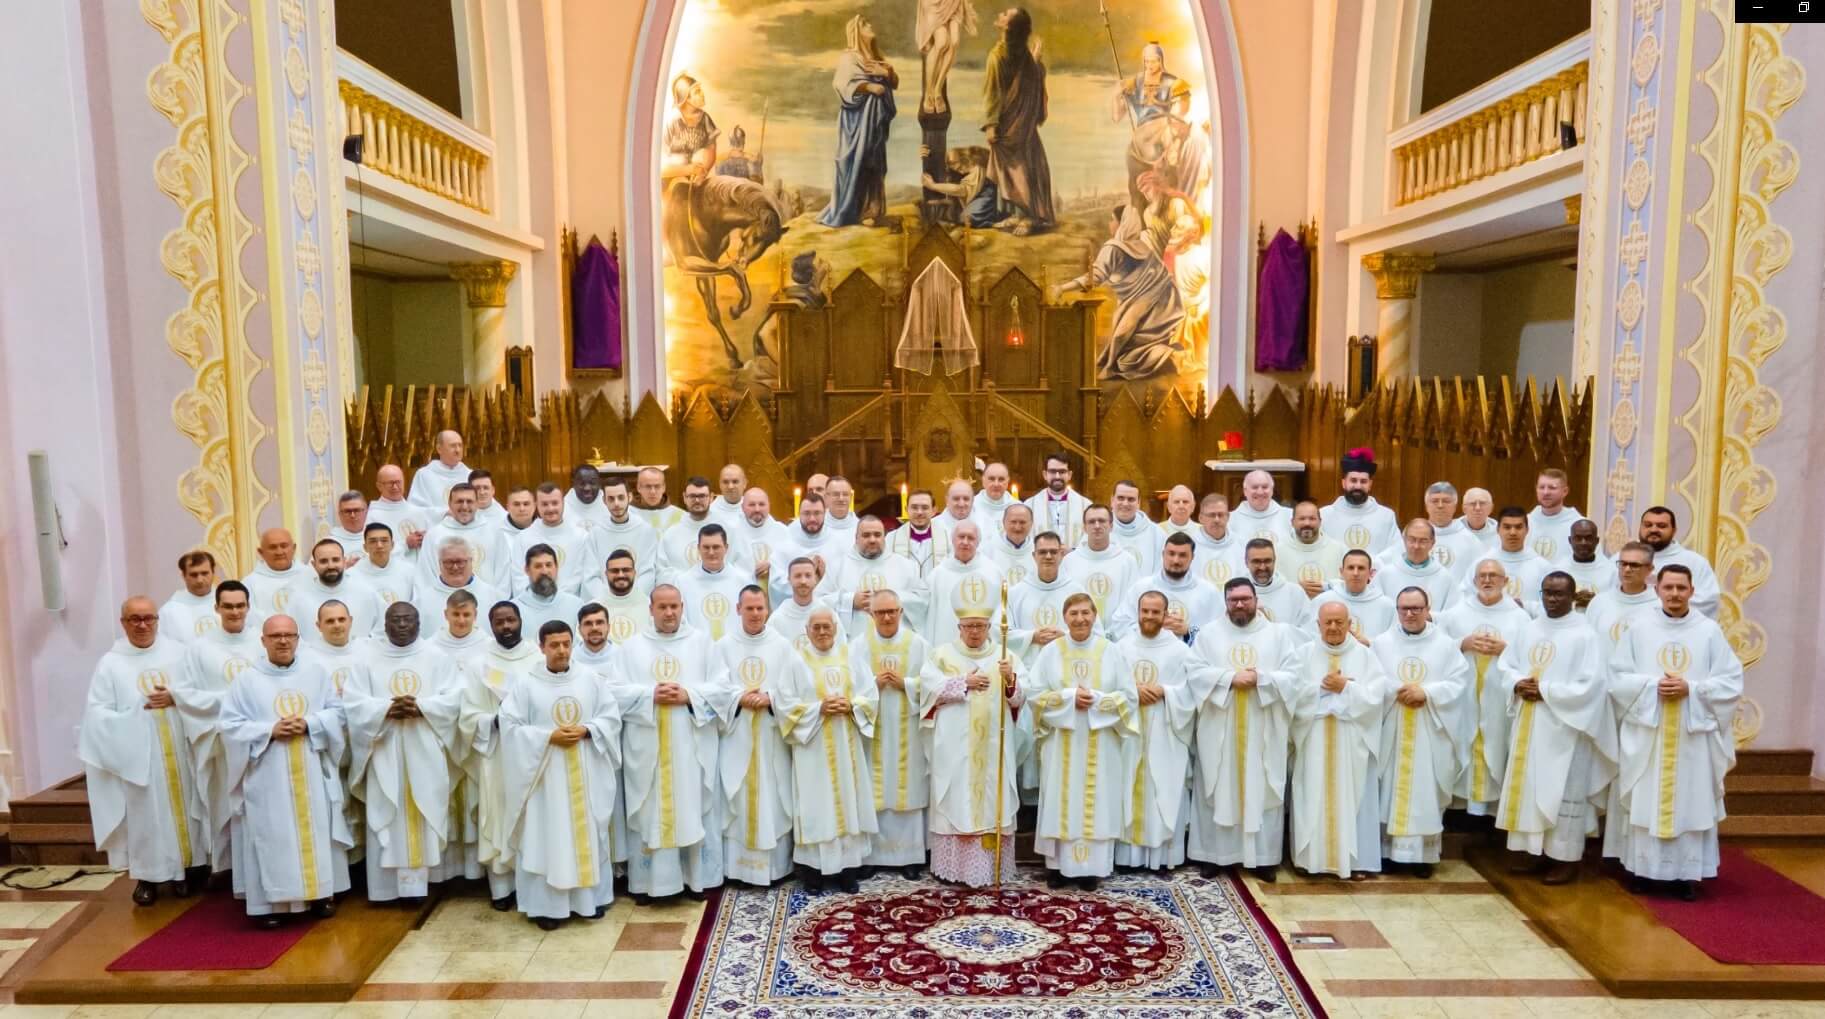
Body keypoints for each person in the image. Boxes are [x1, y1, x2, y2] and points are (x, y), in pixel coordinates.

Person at [1603, 564, 1743, 900]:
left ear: (1692, 592)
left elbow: (1730, 681)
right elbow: (1618, 677)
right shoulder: (1639, 628)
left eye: (1682, 588)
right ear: (1658, 590)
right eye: (1669, 588)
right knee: (1645, 800)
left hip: (1691, 736)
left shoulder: (1709, 631)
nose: (1675, 594)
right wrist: (1653, 685)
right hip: (1649, 733)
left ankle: (1686, 875)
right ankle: (1641, 871)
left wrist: (1691, 689)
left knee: (1690, 802)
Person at [215, 615, 349, 926]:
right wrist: (269, 730)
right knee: (272, 834)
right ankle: (269, 906)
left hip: (310, 768)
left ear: (298, 638)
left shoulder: (316, 673)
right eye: (275, 636)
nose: (283, 641)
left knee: (315, 831)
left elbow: (337, 713)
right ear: (263, 641)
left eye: (289, 635)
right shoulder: (246, 681)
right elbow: (229, 727)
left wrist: (310, 724)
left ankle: (318, 895)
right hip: (268, 774)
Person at [82, 597, 209, 906]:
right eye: (135, 619)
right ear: (123, 623)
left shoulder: (179, 654)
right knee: (146, 816)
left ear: (157, 620)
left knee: (187, 809)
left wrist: (177, 698)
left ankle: (189, 871)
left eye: (148, 618)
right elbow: (96, 715)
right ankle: (149, 877)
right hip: (140, 755)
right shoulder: (110, 664)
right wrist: (137, 711)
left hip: (180, 749)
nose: (142, 625)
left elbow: (199, 693)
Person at [498, 620, 623, 929]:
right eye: (554, 645)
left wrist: (588, 729)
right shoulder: (526, 684)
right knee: (547, 837)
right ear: (541, 647)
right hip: (544, 779)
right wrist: (546, 738)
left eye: (566, 643)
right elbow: (509, 726)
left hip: (586, 771)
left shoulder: (591, 680)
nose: (562, 650)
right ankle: (547, 908)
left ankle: (588, 902)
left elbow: (611, 717)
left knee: (587, 834)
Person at [1494, 573, 1616, 885]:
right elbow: (1506, 665)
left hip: (1565, 729)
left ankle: (1565, 858)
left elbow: (1593, 685)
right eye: (1547, 593)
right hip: (1530, 724)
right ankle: (1534, 852)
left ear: (1573, 596)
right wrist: (1518, 683)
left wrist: (1545, 690)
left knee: (1562, 791)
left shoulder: (1585, 635)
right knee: (1532, 789)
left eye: (1559, 594)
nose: (1552, 599)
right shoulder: (1530, 629)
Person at [612, 585, 727, 903]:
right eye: (662, 607)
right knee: (651, 810)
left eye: (674, 606)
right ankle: (651, 884)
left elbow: (723, 688)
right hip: (647, 749)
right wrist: (650, 695)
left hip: (688, 748)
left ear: (682, 606)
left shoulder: (702, 644)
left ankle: (695, 881)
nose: (669, 613)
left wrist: (689, 695)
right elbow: (614, 692)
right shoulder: (631, 648)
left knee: (689, 808)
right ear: (650, 609)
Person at [346, 603, 464, 901]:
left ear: (418, 623)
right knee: (388, 808)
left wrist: (421, 707)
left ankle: (424, 884)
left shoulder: (437, 658)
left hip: (424, 747)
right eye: (395, 620)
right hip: (384, 748)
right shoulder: (367, 661)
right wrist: (385, 708)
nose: (401, 625)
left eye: (407, 619)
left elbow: (454, 699)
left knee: (425, 806)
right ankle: (385, 891)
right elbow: (353, 703)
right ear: (384, 625)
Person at [1188, 579, 1299, 880]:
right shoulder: (1209, 635)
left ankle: (1262, 858)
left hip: (1263, 727)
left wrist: (1261, 678)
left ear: (1256, 599)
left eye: (1245, 599)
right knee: (1218, 784)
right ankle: (1213, 855)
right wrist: (1227, 679)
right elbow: (1194, 672)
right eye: (1233, 599)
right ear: (1225, 601)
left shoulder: (1277, 635)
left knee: (1261, 786)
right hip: (1219, 727)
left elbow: (1293, 676)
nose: (1240, 604)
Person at [1028, 594, 1135, 889]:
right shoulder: (1051, 651)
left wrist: (1099, 700)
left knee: (1096, 799)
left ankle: (1091, 869)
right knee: (1060, 799)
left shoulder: (1110, 651)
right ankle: (1058, 867)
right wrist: (1068, 697)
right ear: (1065, 617)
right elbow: (1034, 695)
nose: (1080, 619)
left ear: (1094, 615)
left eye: (1085, 613)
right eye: (1073, 613)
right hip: (1062, 740)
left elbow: (1130, 697)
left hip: (1099, 742)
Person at [918, 606, 1025, 886]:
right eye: (969, 626)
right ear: (959, 627)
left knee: (992, 798)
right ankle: (954, 870)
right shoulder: (942, 655)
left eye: (980, 625)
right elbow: (927, 690)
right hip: (954, 747)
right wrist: (963, 682)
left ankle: (991, 869)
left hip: (992, 747)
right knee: (955, 796)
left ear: (989, 627)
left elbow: (1021, 700)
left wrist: (1011, 680)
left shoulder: (1005, 656)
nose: (974, 631)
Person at [774, 609, 878, 889]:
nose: (822, 632)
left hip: (846, 745)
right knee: (816, 806)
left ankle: (846, 871)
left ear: (836, 628)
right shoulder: (796, 662)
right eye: (816, 627)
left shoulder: (850, 657)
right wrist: (818, 708)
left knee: (847, 800)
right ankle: (814, 873)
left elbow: (870, 695)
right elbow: (783, 704)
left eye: (826, 627)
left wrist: (852, 705)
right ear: (807, 631)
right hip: (813, 748)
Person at [1288, 601, 1389, 879]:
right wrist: (1321, 688)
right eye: (1328, 622)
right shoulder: (1304, 654)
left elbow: (1376, 696)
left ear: (1349, 624)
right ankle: (1311, 861)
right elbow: (1292, 694)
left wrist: (1346, 688)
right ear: (1318, 625)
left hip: (1351, 740)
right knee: (1311, 795)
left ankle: (1354, 863)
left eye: (1339, 622)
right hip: (1314, 737)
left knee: (1353, 797)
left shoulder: (1365, 656)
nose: (1333, 627)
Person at [1371, 588, 1467, 877]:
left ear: (1428, 609)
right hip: (1394, 727)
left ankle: (1423, 857)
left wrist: (1426, 692)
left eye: (1416, 608)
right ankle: (1388, 853)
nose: (1410, 614)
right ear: (1397, 610)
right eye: (1403, 609)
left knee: (1424, 790)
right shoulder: (1382, 643)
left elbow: (1458, 681)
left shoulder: (1446, 645)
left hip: (1429, 729)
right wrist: (1396, 691)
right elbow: (1372, 679)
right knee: (1389, 788)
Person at [455, 601, 541, 909]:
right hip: (497, 751)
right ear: (490, 625)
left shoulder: (537, 658)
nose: (506, 627)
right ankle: (502, 888)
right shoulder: (478, 664)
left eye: (511, 620)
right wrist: (493, 721)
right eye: (499, 622)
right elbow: (467, 714)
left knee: (531, 814)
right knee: (499, 813)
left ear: (521, 621)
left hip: (532, 751)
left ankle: (531, 885)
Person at [712, 586, 798, 887]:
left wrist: (771, 698)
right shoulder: (722, 646)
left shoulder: (783, 646)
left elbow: (792, 688)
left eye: (760, 608)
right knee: (737, 795)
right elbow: (717, 688)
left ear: (768, 610)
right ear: (738, 610)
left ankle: (775, 868)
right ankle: (739, 869)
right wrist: (738, 698)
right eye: (749, 609)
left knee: (773, 795)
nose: (755, 614)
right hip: (737, 735)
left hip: (771, 734)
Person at [175, 580, 263, 873]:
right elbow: (186, 694)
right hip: (219, 740)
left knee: (258, 804)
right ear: (217, 608)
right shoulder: (199, 648)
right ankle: (226, 867)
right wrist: (231, 701)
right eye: (228, 606)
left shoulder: (264, 642)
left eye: (240, 605)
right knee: (224, 802)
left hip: (260, 740)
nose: (235, 612)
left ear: (249, 607)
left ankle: (257, 864)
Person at [1440, 559, 1532, 817]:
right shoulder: (1457, 613)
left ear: (1506, 582)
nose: (1488, 580)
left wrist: (1506, 649)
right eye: (1482, 575)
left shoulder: (1519, 617)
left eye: (1494, 575)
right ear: (1474, 581)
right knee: (1463, 742)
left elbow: (1528, 656)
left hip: (1498, 699)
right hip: (1464, 696)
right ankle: (1461, 809)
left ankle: (1490, 812)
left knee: (1496, 743)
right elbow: (1437, 647)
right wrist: (1462, 642)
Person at [1116, 591, 1198, 871]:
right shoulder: (1122, 647)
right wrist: (1132, 692)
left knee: (1164, 787)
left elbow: (1191, 691)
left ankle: (1163, 857)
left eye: (1155, 612)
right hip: (1130, 731)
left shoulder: (1180, 651)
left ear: (1165, 615)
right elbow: (1111, 685)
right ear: (1138, 612)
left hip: (1166, 732)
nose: (1149, 617)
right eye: (1145, 611)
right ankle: (1127, 857)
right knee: (1127, 785)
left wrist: (1165, 691)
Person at [1057, 205, 1183, 381]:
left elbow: (1095, 277)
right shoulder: (1141, 245)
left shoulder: (1114, 248)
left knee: (1123, 338)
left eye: (1112, 219)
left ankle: (1111, 368)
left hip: (1152, 301)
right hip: (1161, 302)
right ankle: (1155, 357)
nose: (1110, 224)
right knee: (1126, 351)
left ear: (1122, 223)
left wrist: (1062, 288)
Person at [980, 7, 1055, 233]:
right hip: (1010, 122)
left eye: (1005, 14)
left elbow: (993, 93)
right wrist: (993, 123)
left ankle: (1029, 217)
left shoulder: (1004, 56)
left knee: (1021, 168)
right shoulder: (1004, 54)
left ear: (1009, 27)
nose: (1000, 15)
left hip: (1017, 125)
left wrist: (991, 124)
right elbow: (998, 91)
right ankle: (1016, 214)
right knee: (1010, 168)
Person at [819, 16, 898, 229]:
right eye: (864, 24)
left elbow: (894, 82)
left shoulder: (876, 57)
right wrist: (869, 87)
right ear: (855, 31)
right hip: (856, 121)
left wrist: (886, 73)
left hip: (875, 121)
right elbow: (841, 84)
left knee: (875, 162)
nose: (870, 25)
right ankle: (854, 210)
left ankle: (872, 210)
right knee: (856, 160)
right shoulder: (850, 57)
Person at [823, 516, 927, 637]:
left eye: (877, 535)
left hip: (896, 644)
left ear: (884, 537)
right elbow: (819, 602)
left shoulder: (906, 566)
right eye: (866, 535)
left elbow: (922, 601)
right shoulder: (836, 567)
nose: (872, 540)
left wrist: (890, 600)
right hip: (853, 645)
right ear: (856, 538)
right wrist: (850, 601)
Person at [1108, 531, 1217, 640]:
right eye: (1171, 553)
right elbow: (1119, 627)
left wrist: (1188, 631)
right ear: (1163, 554)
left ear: (1192, 557)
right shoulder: (1142, 588)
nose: (1176, 560)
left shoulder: (1208, 592)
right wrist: (1154, 627)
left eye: (1182, 555)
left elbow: (1220, 633)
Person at [417, 483, 514, 592]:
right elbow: (426, 577)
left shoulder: (494, 532)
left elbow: (503, 575)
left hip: (487, 602)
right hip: (446, 603)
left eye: (469, 501)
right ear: (449, 504)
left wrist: (495, 602)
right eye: (459, 501)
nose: (464, 506)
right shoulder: (434, 535)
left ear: (477, 503)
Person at [924, 521, 1006, 645]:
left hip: (984, 647)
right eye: (961, 537)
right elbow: (928, 616)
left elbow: (1001, 612)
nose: (965, 542)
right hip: (946, 644)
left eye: (971, 538)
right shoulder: (937, 575)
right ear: (952, 540)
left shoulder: (993, 572)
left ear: (978, 542)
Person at [1634, 506, 1721, 618]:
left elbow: (1708, 600)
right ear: (1640, 528)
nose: (1653, 529)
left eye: (1661, 526)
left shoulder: (1695, 562)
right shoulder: (1623, 560)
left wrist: (1652, 603)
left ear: (1674, 530)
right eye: (1648, 525)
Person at [286, 539, 381, 637]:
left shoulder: (366, 592)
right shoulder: (298, 598)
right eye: (323, 561)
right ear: (314, 565)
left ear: (344, 561)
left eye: (335, 560)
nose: (330, 566)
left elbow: (382, 630)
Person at [514, 483, 594, 595]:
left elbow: (581, 577)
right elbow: (519, 578)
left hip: (569, 604)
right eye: (545, 504)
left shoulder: (581, 537)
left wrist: (559, 600)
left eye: (555, 503)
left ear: (563, 503)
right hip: (533, 604)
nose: (550, 509)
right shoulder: (522, 538)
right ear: (537, 505)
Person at [1062, 505, 1139, 621]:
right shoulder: (1070, 561)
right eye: (1091, 522)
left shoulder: (1127, 561)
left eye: (1102, 521)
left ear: (1111, 526)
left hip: (1119, 634)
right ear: (1084, 527)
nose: (1097, 526)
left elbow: (1132, 602)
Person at [413, 538, 505, 634]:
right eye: (449, 562)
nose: (455, 567)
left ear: (471, 561)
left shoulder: (492, 597)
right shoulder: (422, 602)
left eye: (461, 562)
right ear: (439, 563)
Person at [678, 525, 752, 642]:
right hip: (698, 650)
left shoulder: (743, 581)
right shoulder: (683, 582)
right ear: (698, 548)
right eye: (706, 547)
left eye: (716, 547)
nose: (711, 552)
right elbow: (682, 623)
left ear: (726, 548)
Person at [1469, 507, 1550, 614]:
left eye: (1518, 527)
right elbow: (1467, 598)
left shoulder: (1543, 567)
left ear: (1527, 530)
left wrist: (1525, 606)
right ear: (1497, 530)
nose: (1513, 532)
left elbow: (1549, 605)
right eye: (1507, 527)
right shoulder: (1481, 564)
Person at [1322, 448, 1400, 557]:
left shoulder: (1386, 516)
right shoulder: (1325, 515)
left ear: (1370, 485)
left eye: (1363, 481)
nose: (1358, 486)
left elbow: (1395, 550)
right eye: (1353, 480)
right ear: (1344, 483)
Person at [661, 476, 743, 574]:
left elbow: (737, 567)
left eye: (702, 496)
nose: (697, 501)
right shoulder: (671, 535)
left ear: (711, 497)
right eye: (692, 496)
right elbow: (663, 571)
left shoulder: (728, 531)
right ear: (684, 497)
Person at [588, 478, 662, 586]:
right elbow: (591, 575)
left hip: (638, 599)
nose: (616, 503)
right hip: (604, 600)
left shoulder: (646, 531)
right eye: (611, 499)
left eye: (621, 497)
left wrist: (632, 598)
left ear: (630, 497)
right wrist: (608, 599)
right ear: (604, 501)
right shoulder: (595, 533)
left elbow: (648, 572)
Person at [1312, 550, 1395, 645]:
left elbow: (1392, 643)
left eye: (1361, 568)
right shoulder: (1323, 601)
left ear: (1371, 573)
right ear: (1341, 572)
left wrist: (1369, 643)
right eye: (1351, 568)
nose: (1355, 573)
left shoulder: (1386, 606)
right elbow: (1310, 636)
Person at [1375, 519, 1458, 614]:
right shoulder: (1385, 575)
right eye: (1412, 539)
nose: (1416, 546)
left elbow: (1451, 616)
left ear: (1432, 543)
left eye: (1423, 541)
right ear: (1404, 540)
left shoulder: (1445, 578)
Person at [1589, 541, 1660, 651]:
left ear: (1649, 569)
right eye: (1623, 564)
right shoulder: (1600, 602)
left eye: (1634, 565)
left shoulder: (1658, 605)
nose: (1627, 569)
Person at [770, 557, 842, 653]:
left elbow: (841, 652)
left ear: (815, 579)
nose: (803, 581)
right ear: (789, 579)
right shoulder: (777, 619)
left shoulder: (828, 614)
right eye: (798, 576)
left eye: (808, 576)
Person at [1277, 501, 1347, 598]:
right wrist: (1297, 589)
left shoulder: (1339, 549)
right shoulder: (1277, 550)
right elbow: (1274, 587)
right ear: (1292, 522)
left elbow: (1347, 584)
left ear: (1320, 522)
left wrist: (1326, 587)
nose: (1307, 523)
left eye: (1312, 518)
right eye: (1302, 519)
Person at [513, 545, 587, 637]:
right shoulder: (515, 610)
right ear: (527, 570)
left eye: (548, 565)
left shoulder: (576, 605)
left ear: (556, 567)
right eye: (538, 566)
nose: (544, 571)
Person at [917, 0, 976, 114]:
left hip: (953, 2)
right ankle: (928, 93)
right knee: (942, 42)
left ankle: (938, 89)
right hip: (933, 3)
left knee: (954, 42)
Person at [581, 550, 650, 644]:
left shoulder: (650, 606)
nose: (620, 575)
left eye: (626, 570)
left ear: (634, 573)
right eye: (615, 571)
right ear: (606, 574)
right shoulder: (592, 608)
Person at [1243, 538, 1313, 629]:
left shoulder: (1295, 593)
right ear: (1246, 562)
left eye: (1267, 561)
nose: (1262, 567)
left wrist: (1271, 629)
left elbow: (1308, 631)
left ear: (1274, 561)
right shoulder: (1236, 594)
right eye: (1256, 561)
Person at [730, 487, 790, 588]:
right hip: (742, 593)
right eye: (752, 505)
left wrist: (772, 568)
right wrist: (752, 576)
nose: (757, 509)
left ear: (769, 506)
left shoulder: (783, 532)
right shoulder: (732, 533)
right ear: (742, 507)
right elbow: (726, 570)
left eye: (762, 504)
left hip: (776, 597)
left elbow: (790, 567)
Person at [1024, 453, 1089, 547]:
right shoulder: (1029, 506)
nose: (1057, 476)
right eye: (1052, 472)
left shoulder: (1085, 506)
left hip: (1074, 559)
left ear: (1069, 475)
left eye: (1062, 472)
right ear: (1045, 474)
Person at [1421, 482, 1482, 581]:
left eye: (1446, 501)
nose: (1440, 505)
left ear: (1455, 506)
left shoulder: (1470, 540)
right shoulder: (1414, 536)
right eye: (1435, 501)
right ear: (1426, 505)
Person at [369, 465, 429, 563]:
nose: (395, 487)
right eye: (390, 483)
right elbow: (374, 553)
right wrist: (406, 544)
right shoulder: (373, 516)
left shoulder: (418, 511)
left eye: (398, 482)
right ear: (379, 486)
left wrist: (427, 539)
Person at [160, 550, 222, 642]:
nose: (200, 580)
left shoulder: (229, 603)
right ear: (183, 576)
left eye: (204, 573)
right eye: (194, 575)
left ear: (213, 572)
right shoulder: (169, 610)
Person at [350, 522, 415, 608]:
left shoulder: (409, 571)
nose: (379, 545)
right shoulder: (353, 576)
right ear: (365, 547)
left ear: (392, 545)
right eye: (373, 541)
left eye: (384, 540)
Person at [1189, 494, 1246, 591]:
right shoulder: (1189, 545)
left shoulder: (1241, 544)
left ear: (1228, 517)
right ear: (1200, 518)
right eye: (1211, 515)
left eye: (1220, 515)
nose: (1216, 519)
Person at [1526, 469, 1584, 564]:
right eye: (1541, 487)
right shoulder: (1526, 522)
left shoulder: (1579, 525)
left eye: (1552, 488)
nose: (1545, 492)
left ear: (1565, 491)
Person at [244, 529, 306, 617]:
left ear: (294, 548)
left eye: (284, 546)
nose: (279, 552)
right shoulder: (249, 583)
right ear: (261, 552)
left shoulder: (310, 576)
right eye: (273, 547)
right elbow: (250, 618)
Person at [1107, 479, 1160, 576]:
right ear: (1112, 500)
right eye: (1121, 498)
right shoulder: (1099, 529)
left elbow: (1161, 571)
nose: (1125, 503)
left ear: (1139, 503)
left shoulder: (1156, 533)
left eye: (1131, 499)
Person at [887, 488, 945, 576]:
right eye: (914, 507)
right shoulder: (891, 539)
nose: (919, 512)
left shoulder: (947, 538)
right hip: (904, 589)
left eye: (925, 507)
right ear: (906, 509)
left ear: (934, 511)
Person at [408, 430, 471, 509]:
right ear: (439, 449)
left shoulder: (470, 475)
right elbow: (416, 508)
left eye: (460, 445)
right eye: (453, 446)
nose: (458, 450)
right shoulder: (424, 475)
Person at [1563, 519, 1617, 610]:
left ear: (1597, 541)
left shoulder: (1612, 571)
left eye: (1588, 538)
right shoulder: (1558, 569)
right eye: (1578, 538)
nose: (1583, 543)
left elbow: (1615, 605)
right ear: (1570, 540)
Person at [1231, 470, 1293, 545]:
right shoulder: (1231, 519)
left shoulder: (1289, 516)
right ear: (1245, 491)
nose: (1260, 492)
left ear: (1272, 490)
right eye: (1254, 487)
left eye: (1265, 487)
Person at [985, 503, 1037, 587]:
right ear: (1003, 522)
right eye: (1013, 522)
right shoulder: (988, 550)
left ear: (1031, 524)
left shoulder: (1038, 550)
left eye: (1022, 522)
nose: (1017, 527)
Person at [431, 589, 489, 663]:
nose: (461, 620)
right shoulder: (431, 645)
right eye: (456, 614)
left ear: (475, 615)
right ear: (446, 614)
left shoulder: (488, 646)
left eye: (466, 615)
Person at [633, 466, 686, 534]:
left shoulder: (680, 515)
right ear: (638, 487)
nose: (653, 492)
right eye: (648, 486)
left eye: (657, 486)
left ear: (664, 487)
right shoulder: (627, 514)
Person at [971, 462, 1017, 536]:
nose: (996, 484)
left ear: (1008, 481)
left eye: (1001, 479)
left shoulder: (1018, 507)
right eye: (991, 479)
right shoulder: (969, 506)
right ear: (983, 480)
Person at [564, 465, 610, 530]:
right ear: (573, 483)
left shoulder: (609, 503)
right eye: (582, 483)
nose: (587, 488)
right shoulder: (563, 506)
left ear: (599, 483)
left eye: (592, 483)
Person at [329, 491, 370, 560]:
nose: (352, 515)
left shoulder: (378, 537)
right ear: (340, 514)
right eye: (347, 511)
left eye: (357, 510)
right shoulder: (329, 543)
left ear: (366, 512)